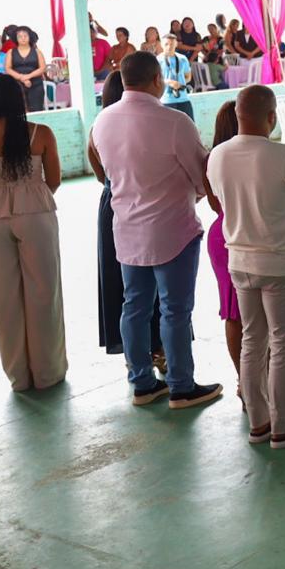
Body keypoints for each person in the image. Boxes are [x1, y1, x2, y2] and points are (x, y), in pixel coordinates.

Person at [90, 51, 222, 409]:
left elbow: (106, 173)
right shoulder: (175, 122)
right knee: (174, 310)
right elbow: (202, 178)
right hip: (172, 231)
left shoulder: (102, 122)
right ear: (156, 80)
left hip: (126, 229)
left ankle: (142, 384)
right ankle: (181, 386)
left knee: (134, 307)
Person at [207, 85, 285, 448]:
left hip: (239, 262)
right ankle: (283, 426)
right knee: (283, 344)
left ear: (238, 115)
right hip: (281, 263)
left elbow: (219, 202)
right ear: (271, 117)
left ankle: (258, 422)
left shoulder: (217, 156)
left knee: (252, 340)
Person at [0, 74, 65, 391]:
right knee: (44, 292)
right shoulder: (40, 133)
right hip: (36, 214)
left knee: (2, 298)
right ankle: (47, 373)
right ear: (18, 100)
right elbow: (54, 180)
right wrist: (30, 198)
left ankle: (18, 377)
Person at [90, 75, 163, 366]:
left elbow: (100, 175)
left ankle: (135, 356)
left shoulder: (98, 128)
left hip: (113, 203)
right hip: (148, 202)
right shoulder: (150, 124)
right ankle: (159, 349)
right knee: (159, 277)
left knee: (123, 283)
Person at [204, 102, 243, 391]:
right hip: (248, 234)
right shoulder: (256, 157)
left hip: (221, 234)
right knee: (264, 312)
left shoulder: (211, 160)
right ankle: (262, 378)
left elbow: (214, 204)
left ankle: (244, 379)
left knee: (233, 312)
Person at [6, 28, 46, 113]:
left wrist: (28, 76)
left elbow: (43, 68)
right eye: (20, 36)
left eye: (25, 36)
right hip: (16, 85)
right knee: (18, 111)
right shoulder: (11, 52)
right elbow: (8, 69)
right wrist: (21, 78)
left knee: (37, 110)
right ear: (16, 38)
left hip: (36, 85)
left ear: (29, 37)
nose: (23, 38)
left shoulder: (37, 52)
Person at [158, 33, 194, 119]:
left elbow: (188, 77)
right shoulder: (158, 60)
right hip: (166, 100)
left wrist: (180, 84)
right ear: (161, 45)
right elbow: (155, 80)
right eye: (166, 44)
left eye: (172, 44)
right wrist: (169, 82)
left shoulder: (183, 58)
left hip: (183, 98)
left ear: (176, 44)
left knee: (189, 124)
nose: (169, 47)